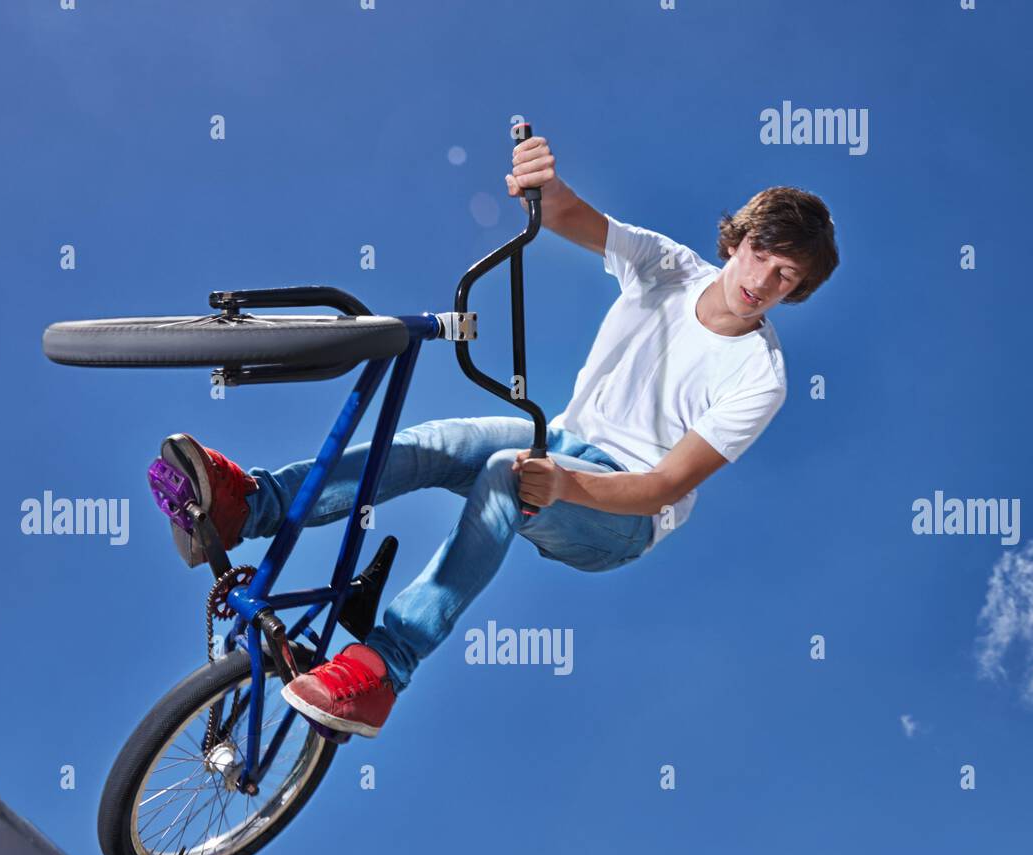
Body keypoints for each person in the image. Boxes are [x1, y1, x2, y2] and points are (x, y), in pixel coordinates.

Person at [151, 135, 839, 739]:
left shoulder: (761, 376)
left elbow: (666, 486)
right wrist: (543, 186)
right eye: (761, 256)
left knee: (510, 470)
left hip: (624, 515)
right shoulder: (666, 266)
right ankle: (252, 505)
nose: (764, 282)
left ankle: (383, 671)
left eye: (787, 279)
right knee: (450, 439)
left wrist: (568, 482)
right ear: (737, 241)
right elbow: (569, 215)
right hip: (566, 438)